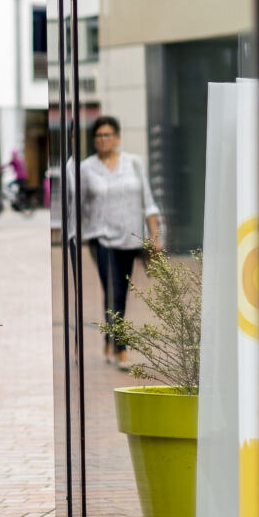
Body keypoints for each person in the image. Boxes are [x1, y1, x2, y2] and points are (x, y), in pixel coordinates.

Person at [79, 115, 161, 370]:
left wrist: (155, 237)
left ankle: (109, 338)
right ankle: (121, 348)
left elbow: (148, 201)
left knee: (120, 291)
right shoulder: (86, 168)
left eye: (107, 135)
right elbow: (78, 205)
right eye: (98, 136)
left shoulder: (134, 163)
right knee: (113, 290)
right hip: (101, 238)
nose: (103, 139)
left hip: (130, 238)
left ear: (117, 137)